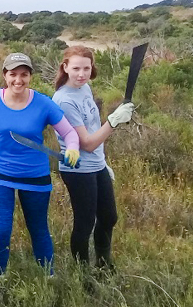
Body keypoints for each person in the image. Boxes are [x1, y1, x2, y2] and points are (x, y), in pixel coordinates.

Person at [0, 52, 81, 274]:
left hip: (34, 173)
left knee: (38, 228)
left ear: (30, 76)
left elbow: (69, 133)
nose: (18, 80)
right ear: (4, 75)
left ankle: (48, 277)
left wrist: (73, 148)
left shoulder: (43, 104)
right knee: (1, 229)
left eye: (24, 75)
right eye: (13, 74)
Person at [52, 45, 134, 271]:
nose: (81, 74)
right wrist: (114, 121)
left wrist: (103, 162)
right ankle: (82, 272)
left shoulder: (84, 89)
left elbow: (92, 128)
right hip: (77, 169)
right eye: (76, 68)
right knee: (85, 223)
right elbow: (86, 143)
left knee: (109, 217)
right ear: (65, 67)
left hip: (96, 165)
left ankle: (104, 264)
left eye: (86, 68)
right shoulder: (64, 100)